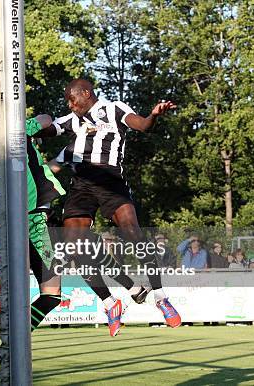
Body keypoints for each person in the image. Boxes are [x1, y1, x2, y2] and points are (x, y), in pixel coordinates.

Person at [47, 79, 181, 333]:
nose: (69, 104)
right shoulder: (72, 126)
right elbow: (48, 131)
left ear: (85, 94)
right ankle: (110, 303)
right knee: (74, 246)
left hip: (111, 180)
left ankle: (160, 297)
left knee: (133, 232)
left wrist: (153, 115)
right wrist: (23, 127)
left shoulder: (113, 108)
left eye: (71, 98)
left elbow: (142, 125)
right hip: (82, 186)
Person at [0, 114, 67, 363]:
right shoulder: (17, 137)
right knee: (52, 293)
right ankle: (10, 347)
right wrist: (54, 121)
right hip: (34, 224)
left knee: (43, 293)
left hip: (21, 222)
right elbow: (45, 119)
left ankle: (10, 345)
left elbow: (43, 172)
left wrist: (66, 158)